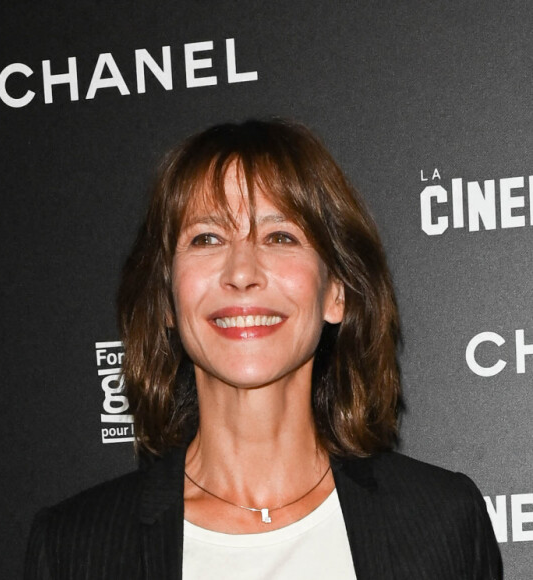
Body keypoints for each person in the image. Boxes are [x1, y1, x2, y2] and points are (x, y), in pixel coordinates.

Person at [24, 119, 502, 579]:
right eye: (207, 238)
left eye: (279, 236)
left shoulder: (442, 521)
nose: (242, 271)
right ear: (167, 298)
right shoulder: (74, 547)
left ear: (336, 291)